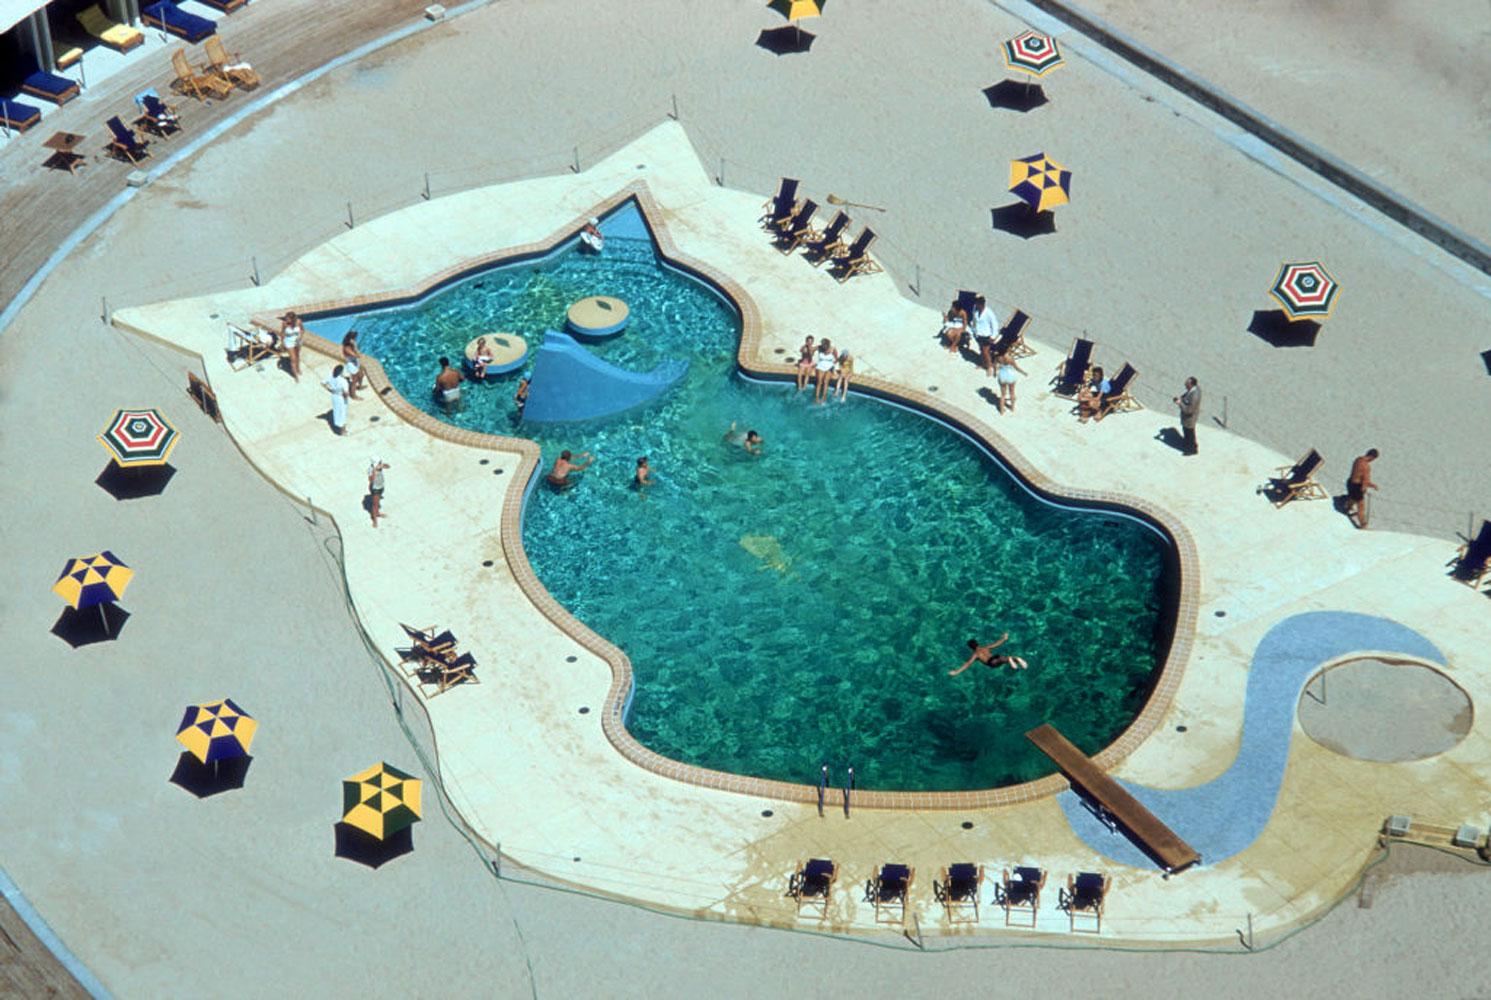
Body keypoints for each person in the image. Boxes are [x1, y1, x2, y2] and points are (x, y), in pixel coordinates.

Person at [948, 634, 1028, 676]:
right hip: (996, 657)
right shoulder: (985, 648)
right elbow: (997, 644)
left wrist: (957, 672)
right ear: (977, 643)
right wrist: (1004, 638)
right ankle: (1015, 659)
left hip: (991, 662)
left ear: (971, 648)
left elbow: (968, 664)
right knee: (1004, 659)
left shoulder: (975, 654)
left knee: (999, 662)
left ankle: (1012, 661)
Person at [1346, 448, 1380, 529]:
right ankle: (1363, 525)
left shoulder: (1358, 459)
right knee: (1361, 506)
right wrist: (1373, 486)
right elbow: (1365, 481)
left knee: (1352, 497)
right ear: (1372, 457)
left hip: (1350, 483)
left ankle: (1347, 507)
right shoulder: (1366, 466)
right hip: (1357, 486)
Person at [1173, 376, 1201, 454]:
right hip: (1187, 419)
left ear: (1191, 385)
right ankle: (1189, 444)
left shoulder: (1195, 396)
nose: (1185, 385)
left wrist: (1179, 403)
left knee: (1190, 433)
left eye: (1187, 384)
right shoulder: (1194, 389)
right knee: (1187, 432)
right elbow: (1187, 394)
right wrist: (1182, 398)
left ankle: (1191, 450)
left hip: (1190, 418)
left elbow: (1189, 410)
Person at [995, 348, 1026, 413]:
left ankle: (1001, 411)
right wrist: (1024, 372)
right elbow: (1017, 368)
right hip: (1010, 375)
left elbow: (995, 367)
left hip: (1002, 375)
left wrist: (995, 373)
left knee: (1003, 394)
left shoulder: (997, 358)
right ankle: (1012, 408)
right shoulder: (1010, 359)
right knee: (1012, 393)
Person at [322, 364, 349, 436]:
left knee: (337, 412)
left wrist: (329, 389)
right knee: (342, 414)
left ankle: (339, 428)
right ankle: (343, 431)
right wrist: (346, 399)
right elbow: (346, 393)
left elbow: (323, 383)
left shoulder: (330, 376)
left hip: (334, 396)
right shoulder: (343, 381)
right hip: (341, 397)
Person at [279, 311, 305, 382]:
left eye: (288, 319)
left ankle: (298, 368)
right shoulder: (284, 324)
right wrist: (282, 342)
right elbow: (282, 333)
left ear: (292, 319)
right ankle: (295, 375)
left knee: (297, 356)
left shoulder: (298, 322)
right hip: (289, 342)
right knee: (293, 359)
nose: (286, 320)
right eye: (286, 318)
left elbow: (302, 330)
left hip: (297, 341)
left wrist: (300, 337)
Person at [813, 338, 837, 404]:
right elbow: (811, 350)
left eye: (825, 345)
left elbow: (837, 358)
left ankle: (824, 397)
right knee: (819, 382)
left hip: (829, 366)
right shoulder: (819, 348)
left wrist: (833, 366)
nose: (824, 347)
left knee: (825, 381)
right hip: (821, 365)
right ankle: (817, 397)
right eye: (823, 345)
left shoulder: (833, 349)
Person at [341, 330, 365, 399]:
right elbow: (357, 355)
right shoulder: (347, 348)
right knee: (354, 381)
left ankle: (360, 387)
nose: (355, 339)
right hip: (351, 365)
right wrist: (355, 345)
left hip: (355, 363)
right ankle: (353, 395)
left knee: (361, 375)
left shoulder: (350, 345)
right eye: (355, 337)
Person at [367, 459, 389, 527]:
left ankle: (377, 513)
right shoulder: (370, 469)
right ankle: (375, 520)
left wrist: (383, 465)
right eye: (378, 463)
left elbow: (388, 466)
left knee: (377, 503)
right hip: (375, 488)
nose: (380, 463)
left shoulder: (380, 466)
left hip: (380, 486)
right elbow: (371, 480)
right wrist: (375, 470)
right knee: (375, 504)